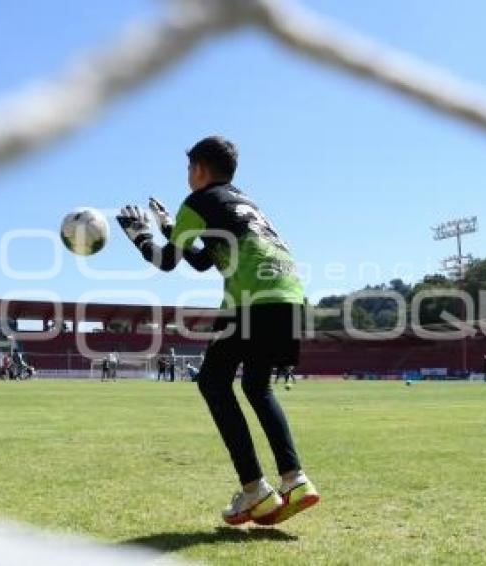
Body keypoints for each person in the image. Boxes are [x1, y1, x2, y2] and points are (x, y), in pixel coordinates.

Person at [117, 136, 319, 525]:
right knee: (257, 387)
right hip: (289, 294)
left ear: (198, 169)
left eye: (188, 169)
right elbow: (200, 262)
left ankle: (255, 490)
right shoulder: (241, 202)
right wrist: (167, 225)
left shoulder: (198, 201)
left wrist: (140, 235)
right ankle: (296, 481)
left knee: (212, 382)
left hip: (251, 298)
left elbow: (167, 262)